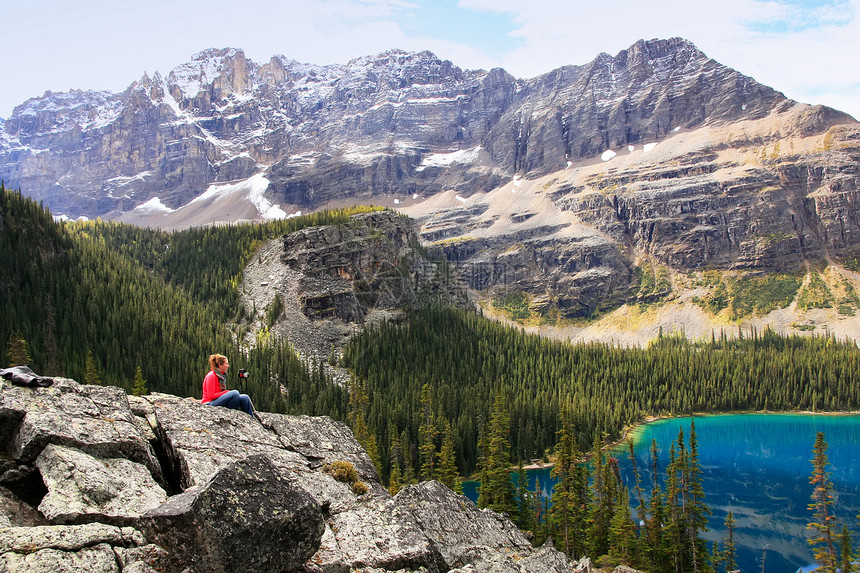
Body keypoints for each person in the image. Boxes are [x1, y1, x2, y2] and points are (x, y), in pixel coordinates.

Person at [202, 354, 259, 420]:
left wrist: (225, 393)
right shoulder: (211, 376)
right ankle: (232, 417)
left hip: (217, 401)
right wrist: (225, 392)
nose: (228, 366)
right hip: (209, 404)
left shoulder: (221, 376)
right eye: (226, 364)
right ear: (220, 365)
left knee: (245, 398)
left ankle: (251, 420)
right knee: (235, 393)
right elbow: (211, 396)